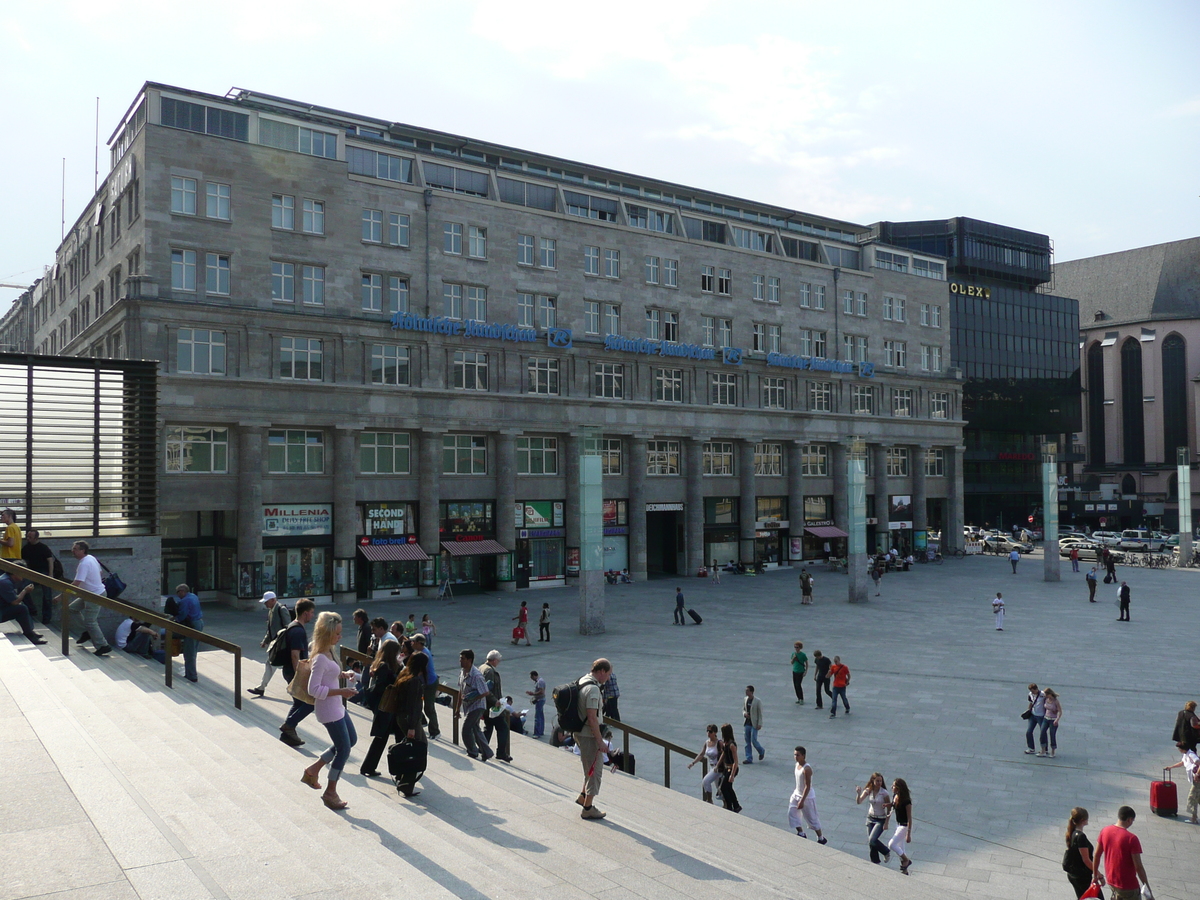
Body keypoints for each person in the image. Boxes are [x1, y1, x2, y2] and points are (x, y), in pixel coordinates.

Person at [300, 611, 358, 811]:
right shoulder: (320, 658)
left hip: (337, 706)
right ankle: (330, 792)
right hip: (329, 710)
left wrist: (343, 674)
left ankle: (313, 770)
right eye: (337, 634)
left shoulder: (328, 653)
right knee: (344, 749)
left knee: (350, 741)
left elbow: (328, 675)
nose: (340, 637)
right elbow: (313, 689)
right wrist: (341, 690)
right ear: (327, 634)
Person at [574, 658, 613, 820]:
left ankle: (583, 796)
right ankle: (588, 808)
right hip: (589, 735)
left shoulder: (583, 680)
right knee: (595, 771)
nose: (609, 678)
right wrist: (600, 741)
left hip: (579, 731)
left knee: (589, 766)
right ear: (602, 671)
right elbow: (592, 717)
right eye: (608, 674)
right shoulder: (593, 689)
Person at [358, 640, 404, 776]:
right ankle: (370, 767)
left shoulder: (383, 665)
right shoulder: (385, 667)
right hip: (386, 707)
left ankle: (371, 767)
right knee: (384, 737)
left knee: (390, 737)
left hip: (388, 707)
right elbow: (381, 686)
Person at [391, 650, 430, 797]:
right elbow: (414, 706)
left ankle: (402, 776)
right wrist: (413, 727)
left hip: (401, 717)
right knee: (417, 750)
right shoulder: (414, 681)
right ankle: (406, 783)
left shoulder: (404, 675)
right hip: (410, 720)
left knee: (411, 748)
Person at [1092, 806, 1152, 900]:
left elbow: (1096, 855)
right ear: (1129, 819)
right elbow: (1138, 867)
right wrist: (1148, 889)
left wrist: (1095, 875)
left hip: (1111, 881)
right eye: (1132, 821)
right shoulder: (1132, 839)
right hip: (1128, 886)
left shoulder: (1105, 831)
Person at [279, 599, 317, 747]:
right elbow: (295, 655)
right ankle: (289, 725)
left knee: (298, 702)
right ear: (305, 613)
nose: (312, 616)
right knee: (309, 702)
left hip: (289, 670)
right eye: (312, 613)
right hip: (294, 671)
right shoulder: (298, 630)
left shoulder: (292, 627)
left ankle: (288, 733)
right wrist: (299, 676)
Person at [69, 541, 111, 656]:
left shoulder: (84, 564)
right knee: (72, 609)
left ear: (83, 550)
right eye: (73, 548)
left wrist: (62, 595)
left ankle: (103, 645)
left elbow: (77, 582)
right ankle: (86, 632)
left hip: (94, 595)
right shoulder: (91, 558)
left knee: (91, 621)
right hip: (88, 594)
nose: (73, 551)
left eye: (76, 549)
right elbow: (100, 572)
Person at [249, 591, 290, 696]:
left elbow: (288, 627)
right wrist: (265, 641)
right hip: (276, 645)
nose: (265, 604)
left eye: (266, 602)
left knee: (275, 665)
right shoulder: (271, 611)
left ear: (273, 600)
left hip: (282, 645)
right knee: (272, 665)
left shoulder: (281, 609)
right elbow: (270, 629)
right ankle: (262, 687)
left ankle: (262, 688)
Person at [457, 649, 493, 762]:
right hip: (468, 706)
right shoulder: (462, 672)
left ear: (470, 660)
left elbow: (485, 692)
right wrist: (457, 708)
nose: (460, 661)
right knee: (475, 729)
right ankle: (487, 752)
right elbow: (460, 691)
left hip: (477, 706)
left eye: (463, 659)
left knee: (466, 729)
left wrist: (472, 698)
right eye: (460, 658)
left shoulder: (476, 675)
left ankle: (472, 751)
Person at [0, 564, 48, 645]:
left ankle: (30, 631)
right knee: (21, 609)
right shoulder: (5, 582)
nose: (24, 576)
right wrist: (25, 590)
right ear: (15, 573)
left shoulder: (7, 579)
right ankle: (29, 635)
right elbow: (14, 601)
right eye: (23, 573)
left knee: (21, 607)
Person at [787, 746, 827, 843]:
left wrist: (802, 800)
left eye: (798, 755)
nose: (796, 757)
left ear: (803, 756)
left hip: (807, 797)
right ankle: (801, 833)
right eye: (795, 755)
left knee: (811, 818)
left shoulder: (807, 769)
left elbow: (807, 786)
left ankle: (821, 837)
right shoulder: (797, 765)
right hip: (796, 793)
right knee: (792, 813)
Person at [480, 649, 512, 762]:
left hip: (485, 705)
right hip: (492, 707)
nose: (498, 663)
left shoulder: (482, 667)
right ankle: (501, 752)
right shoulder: (489, 671)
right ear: (494, 660)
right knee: (503, 727)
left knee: (488, 727)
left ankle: (482, 748)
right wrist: (495, 701)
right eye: (498, 661)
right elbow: (487, 690)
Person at [20, 528, 56, 625]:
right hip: (31, 573)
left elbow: (50, 560)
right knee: (22, 587)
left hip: (43, 573)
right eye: (27, 536)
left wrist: (50, 574)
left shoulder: (43, 547)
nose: (28, 539)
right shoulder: (26, 548)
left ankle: (47, 618)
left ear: (36, 538)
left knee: (47, 596)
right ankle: (32, 609)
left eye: (30, 537)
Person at [856, 772, 892, 864]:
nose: (879, 783)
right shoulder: (869, 790)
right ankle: (875, 862)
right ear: (873, 780)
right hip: (870, 818)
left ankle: (886, 852)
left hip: (880, 819)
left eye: (880, 781)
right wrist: (858, 793)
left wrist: (887, 822)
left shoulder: (884, 793)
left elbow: (889, 808)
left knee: (873, 839)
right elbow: (859, 801)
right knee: (871, 843)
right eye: (877, 781)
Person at [1063, 807, 1099, 898]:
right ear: (1083, 820)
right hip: (1082, 877)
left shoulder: (1072, 832)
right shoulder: (1081, 837)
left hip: (1074, 874)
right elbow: (1086, 860)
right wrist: (1098, 874)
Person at [409, 633, 439, 740]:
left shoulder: (424, 654)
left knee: (429, 708)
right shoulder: (419, 651)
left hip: (430, 684)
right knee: (416, 703)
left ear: (418, 643)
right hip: (424, 683)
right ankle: (422, 722)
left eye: (413, 641)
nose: (411, 643)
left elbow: (420, 671)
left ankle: (435, 731)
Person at [171, 583, 204, 683]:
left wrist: (174, 619)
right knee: (193, 649)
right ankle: (191, 673)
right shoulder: (193, 596)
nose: (177, 595)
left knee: (189, 652)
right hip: (199, 623)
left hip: (192, 625)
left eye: (178, 593)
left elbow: (182, 615)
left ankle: (191, 675)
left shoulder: (185, 600)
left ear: (182, 591)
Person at [1166, 741, 1200, 824]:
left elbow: (1199, 763)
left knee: (1192, 797)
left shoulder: (1191, 754)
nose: (1178, 750)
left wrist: (1197, 774)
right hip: (1194, 780)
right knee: (1198, 798)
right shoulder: (1186, 755)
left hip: (1197, 780)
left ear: (1182, 749)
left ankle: (1194, 817)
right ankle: (1194, 817)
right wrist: (1171, 767)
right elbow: (1182, 763)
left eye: (1179, 748)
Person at [687, 724, 723, 803]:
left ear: (715, 732)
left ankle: (709, 800)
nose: (708, 733)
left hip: (718, 768)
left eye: (710, 731)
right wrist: (693, 763)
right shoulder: (707, 742)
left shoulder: (719, 743)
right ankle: (725, 803)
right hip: (712, 767)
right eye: (707, 731)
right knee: (719, 789)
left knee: (706, 781)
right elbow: (701, 754)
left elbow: (724, 754)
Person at [887, 777, 914, 874]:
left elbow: (909, 818)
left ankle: (907, 860)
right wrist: (888, 805)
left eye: (893, 786)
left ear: (898, 788)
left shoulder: (906, 801)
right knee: (901, 848)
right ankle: (905, 871)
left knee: (892, 844)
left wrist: (908, 834)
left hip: (903, 826)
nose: (892, 787)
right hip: (897, 825)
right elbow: (894, 806)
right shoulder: (895, 796)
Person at [717, 723, 742, 813]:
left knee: (724, 787)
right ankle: (735, 805)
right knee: (728, 787)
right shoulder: (725, 744)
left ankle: (730, 805)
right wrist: (718, 764)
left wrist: (732, 775)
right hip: (726, 768)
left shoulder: (732, 745)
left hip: (731, 769)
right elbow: (723, 754)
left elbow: (736, 761)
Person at [742, 685, 765, 763]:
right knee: (747, 741)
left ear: (751, 692)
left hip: (754, 723)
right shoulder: (745, 699)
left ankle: (761, 751)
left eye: (747, 690)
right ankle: (749, 758)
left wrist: (760, 723)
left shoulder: (757, 701)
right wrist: (745, 714)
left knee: (753, 740)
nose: (746, 692)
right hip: (747, 723)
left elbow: (760, 713)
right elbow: (744, 709)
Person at [1041, 688, 1062, 757]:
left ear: (1049, 694)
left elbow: (1060, 711)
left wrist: (1057, 719)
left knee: (1052, 735)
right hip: (1046, 718)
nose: (1045, 696)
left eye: (1046, 695)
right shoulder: (1046, 699)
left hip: (1053, 720)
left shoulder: (1055, 701)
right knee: (1042, 733)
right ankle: (1043, 750)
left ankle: (1053, 751)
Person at [1025, 683, 1045, 754]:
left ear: (1036, 689)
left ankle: (1044, 749)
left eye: (1033, 691)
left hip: (1041, 716)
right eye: (1031, 691)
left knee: (1043, 733)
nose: (1032, 692)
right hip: (1033, 715)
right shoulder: (1030, 694)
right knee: (1029, 732)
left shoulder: (1043, 694)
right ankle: (1031, 748)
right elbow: (1030, 702)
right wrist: (1028, 710)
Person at [526, 670, 546, 737]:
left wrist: (533, 694)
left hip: (540, 700)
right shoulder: (540, 681)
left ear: (534, 676)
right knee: (541, 716)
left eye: (531, 677)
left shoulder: (540, 682)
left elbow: (541, 691)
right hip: (540, 699)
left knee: (537, 717)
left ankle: (537, 733)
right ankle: (541, 731)